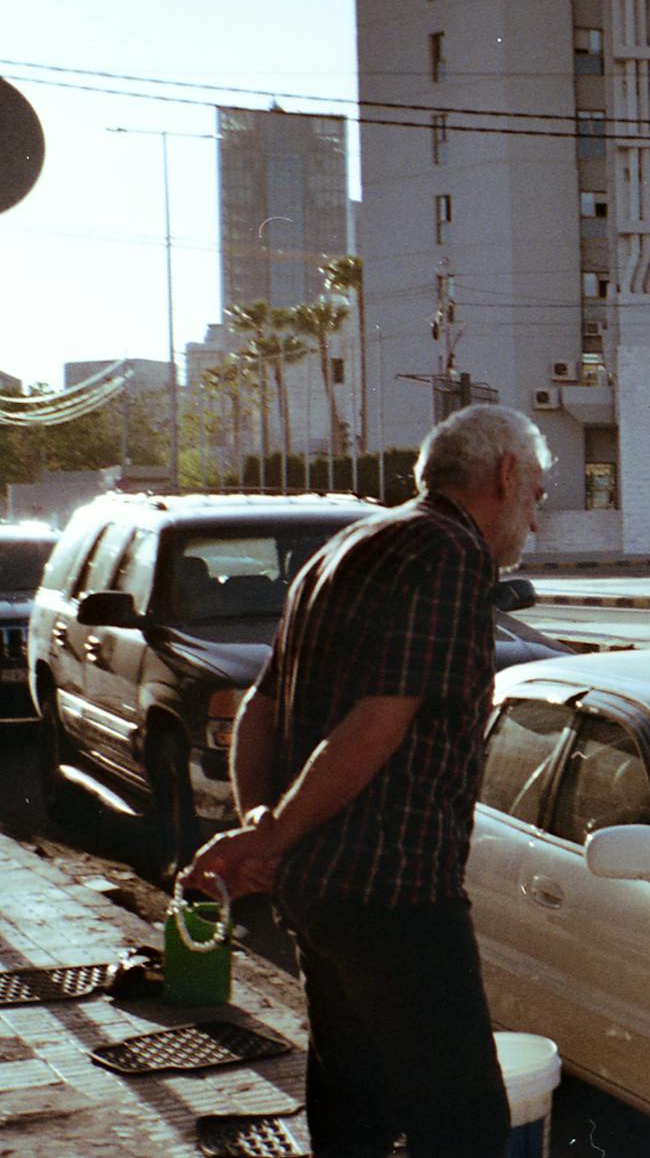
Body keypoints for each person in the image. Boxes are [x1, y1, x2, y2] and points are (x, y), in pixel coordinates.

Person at [183, 404, 552, 1158]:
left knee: (353, 1108)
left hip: (319, 894)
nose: (535, 520)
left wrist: (262, 828)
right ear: (506, 474)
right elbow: (376, 726)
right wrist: (271, 833)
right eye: (537, 495)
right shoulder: (451, 552)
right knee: (466, 1125)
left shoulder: (348, 544)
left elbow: (263, 703)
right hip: (398, 899)